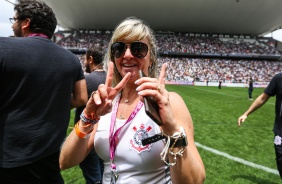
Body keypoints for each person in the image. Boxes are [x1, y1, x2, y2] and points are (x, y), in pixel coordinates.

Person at [60, 17, 206, 184]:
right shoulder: (107, 102)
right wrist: (88, 116)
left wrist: (171, 130)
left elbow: (195, 181)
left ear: (150, 58)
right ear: (114, 57)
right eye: (119, 48)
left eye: (138, 49)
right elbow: (66, 161)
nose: (127, 55)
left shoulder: (169, 102)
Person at [0, 0, 87, 183]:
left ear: (26, 22)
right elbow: (81, 98)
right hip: (48, 160)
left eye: (14, 19)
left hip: (8, 160)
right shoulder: (70, 59)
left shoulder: (4, 47)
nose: (13, 24)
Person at [238, 73, 282, 178]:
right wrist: (246, 113)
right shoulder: (278, 78)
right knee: (281, 162)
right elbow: (263, 98)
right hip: (280, 131)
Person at [74, 47, 106, 184]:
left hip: (87, 135)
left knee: (93, 178)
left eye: (85, 59)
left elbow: (75, 100)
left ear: (91, 59)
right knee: (104, 174)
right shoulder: (111, 80)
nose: (84, 62)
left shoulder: (86, 80)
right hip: (105, 134)